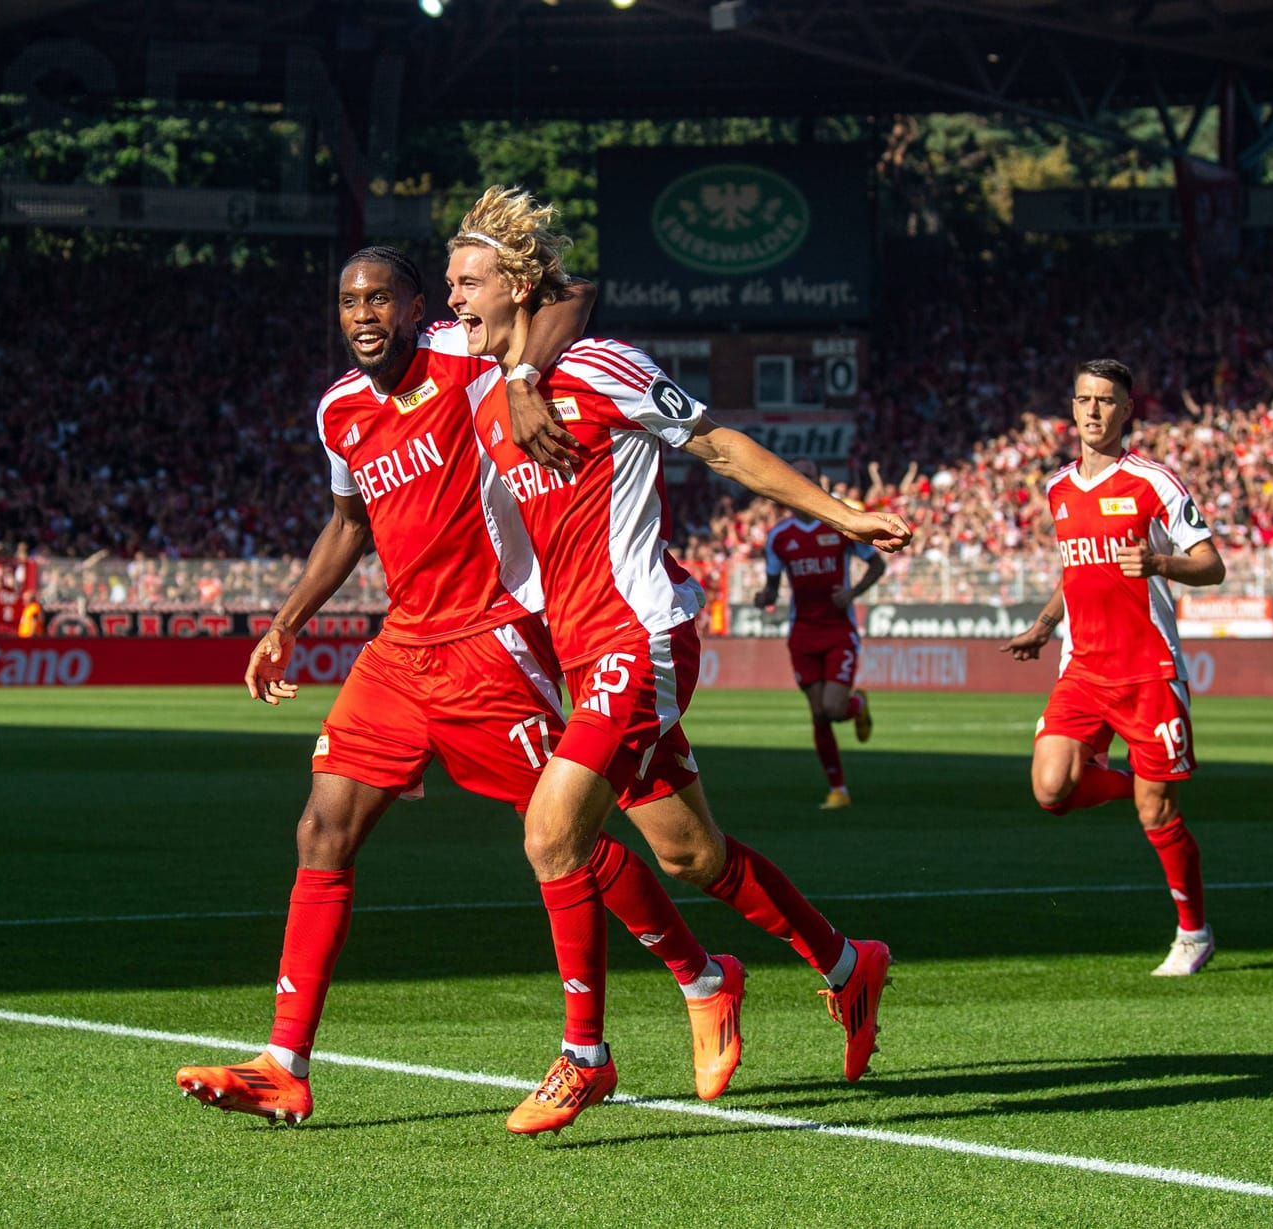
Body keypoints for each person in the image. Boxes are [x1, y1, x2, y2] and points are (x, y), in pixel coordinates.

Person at [174, 247, 745, 1128]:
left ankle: (698, 975)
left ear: (414, 307)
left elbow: (575, 295)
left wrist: (521, 372)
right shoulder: (339, 412)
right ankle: (284, 1062)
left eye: (380, 299)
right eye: (348, 301)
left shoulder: (463, 352)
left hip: (495, 642)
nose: (363, 315)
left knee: (564, 838)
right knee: (322, 825)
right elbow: (347, 525)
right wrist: (286, 621)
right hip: (401, 648)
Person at [452, 186, 914, 1134]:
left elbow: (719, 446)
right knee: (691, 852)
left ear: (519, 285)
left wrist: (841, 513)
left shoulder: (602, 365)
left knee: (551, 834)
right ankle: (844, 964)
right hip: (580, 652)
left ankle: (586, 1054)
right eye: (450, 282)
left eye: (468, 281)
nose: (451, 299)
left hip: (643, 636)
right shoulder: (483, 385)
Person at [999, 359, 1225, 976]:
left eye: (1106, 400)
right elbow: (1076, 573)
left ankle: (1193, 932)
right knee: (1050, 789)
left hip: (1149, 668)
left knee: (1159, 816)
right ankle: (1144, 786)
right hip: (1083, 668)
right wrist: (1045, 627)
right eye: (1083, 399)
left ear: (1128, 410)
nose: (1093, 410)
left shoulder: (1156, 482)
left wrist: (1160, 564)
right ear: (1072, 408)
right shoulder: (1058, 488)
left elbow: (1212, 565)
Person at [753, 459, 887, 810]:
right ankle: (838, 789)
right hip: (802, 633)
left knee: (832, 707)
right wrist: (764, 597)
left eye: (808, 477)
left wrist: (852, 593)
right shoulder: (779, 537)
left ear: (819, 482)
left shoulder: (840, 526)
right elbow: (771, 586)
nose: (802, 482)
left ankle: (856, 705)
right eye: (796, 476)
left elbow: (877, 563)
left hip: (838, 629)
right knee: (818, 714)